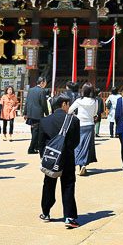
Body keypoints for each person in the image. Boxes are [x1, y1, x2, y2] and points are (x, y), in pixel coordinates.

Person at [37, 94, 81, 228]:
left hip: (51, 157)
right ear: (63, 104)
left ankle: (45, 212)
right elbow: (76, 141)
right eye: (68, 104)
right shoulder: (73, 120)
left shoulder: (44, 121)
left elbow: (41, 142)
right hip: (67, 157)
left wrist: (44, 157)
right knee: (68, 185)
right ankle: (69, 216)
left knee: (48, 184)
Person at [70, 84, 99, 176]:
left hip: (79, 124)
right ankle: (82, 164)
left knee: (77, 144)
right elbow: (95, 113)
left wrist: (75, 116)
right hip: (90, 125)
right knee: (86, 146)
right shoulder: (95, 101)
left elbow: (70, 110)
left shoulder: (79, 100)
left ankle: (77, 163)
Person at [24, 77, 49, 154]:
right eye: (45, 83)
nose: (45, 84)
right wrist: (47, 113)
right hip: (38, 114)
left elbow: (27, 102)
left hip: (30, 113)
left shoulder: (30, 90)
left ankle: (35, 146)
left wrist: (25, 113)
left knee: (33, 131)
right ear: (42, 82)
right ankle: (31, 148)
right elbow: (44, 104)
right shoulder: (42, 91)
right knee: (36, 132)